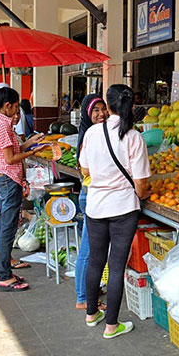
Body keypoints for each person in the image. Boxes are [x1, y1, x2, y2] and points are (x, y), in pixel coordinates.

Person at [80, 84, 150, 338]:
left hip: (96, 206)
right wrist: (141, 195)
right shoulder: (134, 137)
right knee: (117, 265)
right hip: (123, 208)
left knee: (95, 261)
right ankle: (112, 324)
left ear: (108, 106)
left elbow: (85, 170)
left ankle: (91, 314)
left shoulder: (92, 133)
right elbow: (141, 184)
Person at [0, 87, 44, 291]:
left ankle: (1, 271)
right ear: (8, 105)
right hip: (8, 180)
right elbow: (10, 158)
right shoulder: (2, 126)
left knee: (3, 225)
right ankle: (4, 276)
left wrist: (29, 143)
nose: (17, 111)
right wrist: (31, 152)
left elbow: (8, 151)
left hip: (3, 179)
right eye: (16, 107)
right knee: (7, 228)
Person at [74, 93, 108, 311]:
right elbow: (87, 169)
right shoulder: (89, 135)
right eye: (95, 110)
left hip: (95, 193)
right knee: (88, 250)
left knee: (95, 249)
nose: (101, 114)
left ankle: (89, 290)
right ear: (87, 114)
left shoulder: (98, 133)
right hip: (92, 194)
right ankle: (83, 298)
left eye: (103, 108)